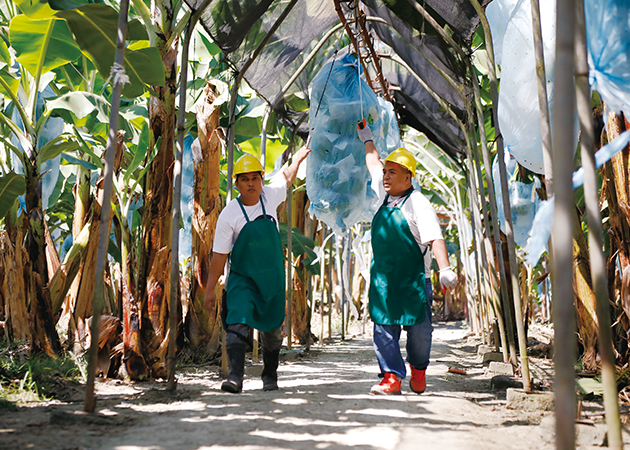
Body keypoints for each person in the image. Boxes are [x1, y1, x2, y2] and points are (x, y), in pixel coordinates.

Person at [357, 120, 458, 395]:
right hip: (384, 281)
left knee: (420, 333)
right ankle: (391, 377)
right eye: (386, 172)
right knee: (383, 329)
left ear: (408, 177)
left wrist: (445, 269)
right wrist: (367, 138)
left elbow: (435, 238)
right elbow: (373, 162)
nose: (386, 177)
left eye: (393, 172)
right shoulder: (383, 195)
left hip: (415, 281)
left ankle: (419, 369)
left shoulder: (418, 204)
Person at [204, 148, 310, 393]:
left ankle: (270, 376)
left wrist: (298, 159)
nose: (250, 183)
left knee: (273, 328)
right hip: (242, 280)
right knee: (237, 321)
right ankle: (234, 377)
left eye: (255, 178)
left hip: (271, 279)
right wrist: (210, 289)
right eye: (244, 179)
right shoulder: (229, 214)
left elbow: (286, 177)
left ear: (262, 179)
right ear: (237, 184)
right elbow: (219, 256)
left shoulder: (270, 196)